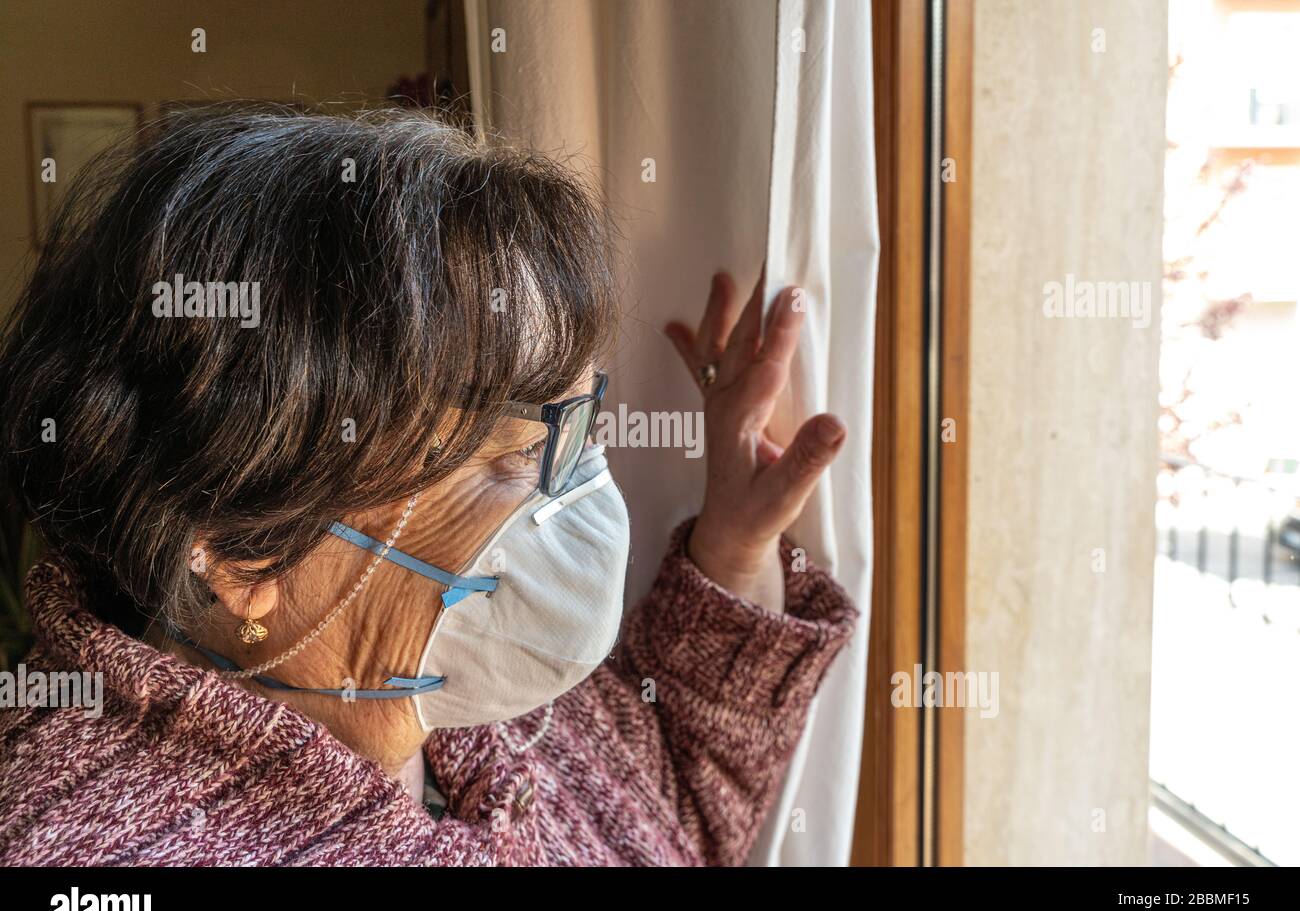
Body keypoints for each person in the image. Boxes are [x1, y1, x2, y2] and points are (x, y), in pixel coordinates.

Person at [0, 107, 855, 865]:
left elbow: (667, 808)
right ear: (241, 546)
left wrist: (735, 551)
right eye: (515, 454)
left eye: (582, 430)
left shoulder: (474, 700)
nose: (584, 500)